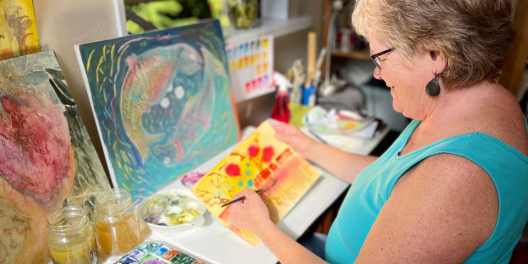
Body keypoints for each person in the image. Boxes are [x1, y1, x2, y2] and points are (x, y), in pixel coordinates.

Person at [228, 0, 528, 263]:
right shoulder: (479, 103)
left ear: (435, 54)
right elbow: (396, 182)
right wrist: (309, 148)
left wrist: (261, 227)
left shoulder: (457, 176)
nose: (377, 72)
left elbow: (430, 188)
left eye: (380, 57)